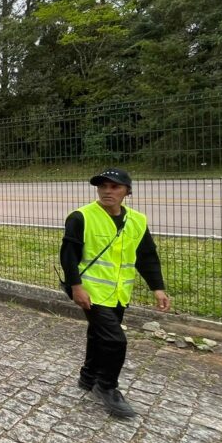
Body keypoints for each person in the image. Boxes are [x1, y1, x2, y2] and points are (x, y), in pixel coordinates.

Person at [60, 168, 171, 418]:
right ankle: (106, 386)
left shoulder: (138, 221)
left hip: (119, 292)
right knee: (114, 340)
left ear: (127, 192)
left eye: (114, 187)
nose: (107, 191)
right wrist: (76, 287)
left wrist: (158, 288)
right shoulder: (81, 217)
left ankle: (88, 377)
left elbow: (146, 256)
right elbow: (68, 256)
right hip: (91, 291)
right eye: (103, 187)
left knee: (99, 335)